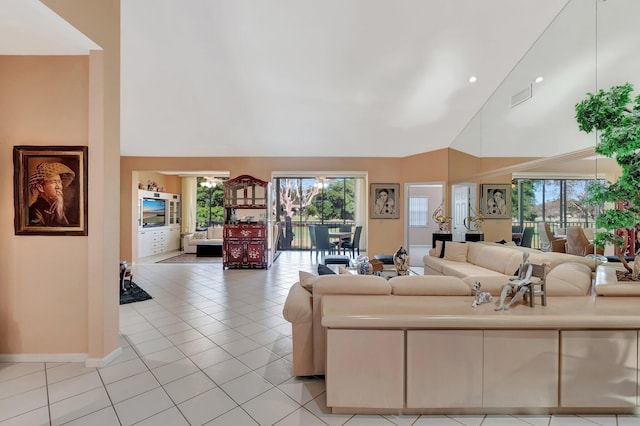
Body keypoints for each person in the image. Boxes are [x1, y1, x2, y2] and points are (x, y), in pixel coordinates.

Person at [28, 161, 76, 226]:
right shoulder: (34, 211)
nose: (58, 187)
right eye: (53, 182)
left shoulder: (59, 206)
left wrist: (59, 211)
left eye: (59, 182)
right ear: (40, 187)